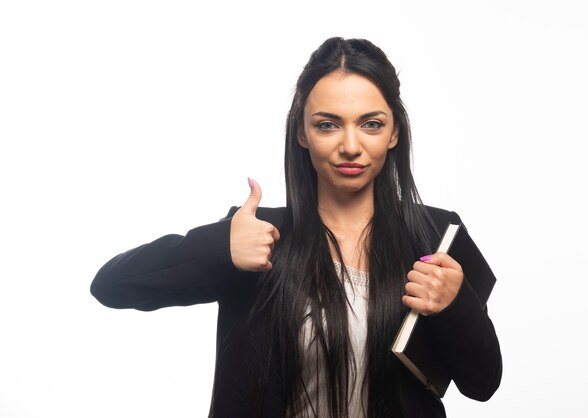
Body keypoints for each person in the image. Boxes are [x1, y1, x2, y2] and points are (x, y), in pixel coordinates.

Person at [91, 37, 502, 418]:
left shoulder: (434, 234)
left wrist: (454, 307)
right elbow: (111, 286)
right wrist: (220, 248)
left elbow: (482, 384)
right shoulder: (258, 237)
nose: (351, 145)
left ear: (394, 131)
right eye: (327, 124)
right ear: (302, 133)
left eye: (371, 124)